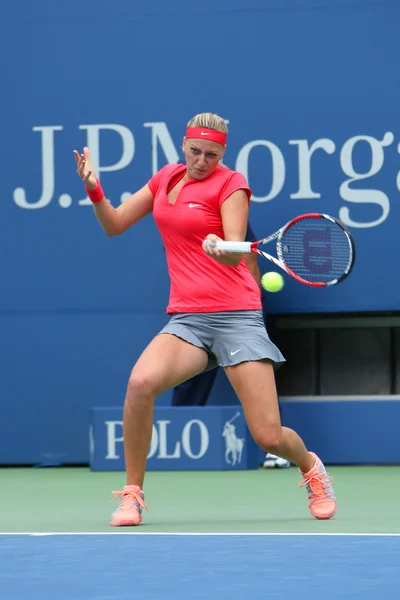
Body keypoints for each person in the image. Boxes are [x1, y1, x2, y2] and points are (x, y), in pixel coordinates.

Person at [73, 112, 336, 526]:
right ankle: (132, 494)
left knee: (267, 435)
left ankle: (311, 468)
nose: (202, 161)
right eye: (195, 151)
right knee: (141, 384)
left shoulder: (232, 184)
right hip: (188, 318)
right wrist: (94, 189)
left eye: (212, 154)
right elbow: (115, 224)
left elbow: (234, 248)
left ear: (222, 153)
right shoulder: (164, 179)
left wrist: (221, 246)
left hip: (237, 316)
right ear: (183, 144)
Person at [171, 221, 291, 469]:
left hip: (238, 312)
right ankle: (176, 444)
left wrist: (251, 311)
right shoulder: (177, 217)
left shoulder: (231, 210)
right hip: (195, 308)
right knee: (186, 376)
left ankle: (277, 449)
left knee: (257, 379)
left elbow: (251, 261)